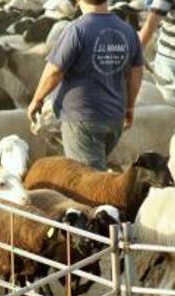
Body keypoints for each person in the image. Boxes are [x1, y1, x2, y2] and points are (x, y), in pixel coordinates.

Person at [27, 0, 145, 171]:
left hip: (82, 119)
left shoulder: (77, 29)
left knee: (88, 179)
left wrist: (37, 99)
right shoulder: (127, 30)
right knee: (97, 170)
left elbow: (55, 71)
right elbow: (137, 73)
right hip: (113, 117)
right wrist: (129, 108)